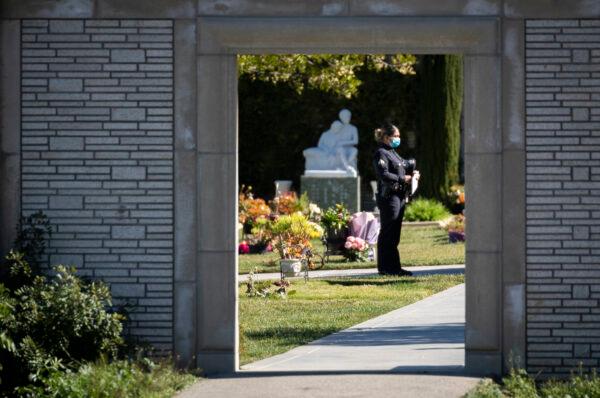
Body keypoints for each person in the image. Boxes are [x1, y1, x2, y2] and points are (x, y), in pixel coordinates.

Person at [372, 123, 420, 276]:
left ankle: (394, 267)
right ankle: (386, 268)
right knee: (389, 231)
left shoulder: (392, 152)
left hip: (398, 196)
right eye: (396, 136)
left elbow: (405, 164)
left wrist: (413, 173)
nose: (398, 138)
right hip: (389, 197)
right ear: (386, 137)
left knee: (395, 232)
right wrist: (402, 178)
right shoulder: (381, 153)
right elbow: (383, 174)